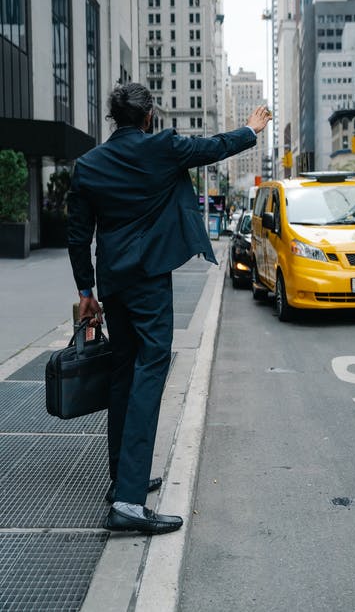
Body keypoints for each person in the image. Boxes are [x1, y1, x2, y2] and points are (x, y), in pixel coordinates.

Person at [67, 82, 271, 535]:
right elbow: (212, 147)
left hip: (114, 282)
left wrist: (86, 291)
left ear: (113, 118)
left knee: (123, 374)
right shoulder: (161, 148)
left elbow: (78, 235)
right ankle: (129, 504)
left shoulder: (89, 165)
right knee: (148, 373)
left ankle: (125, 478)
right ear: (149, 116)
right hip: (149, 280)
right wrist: (251, 129)